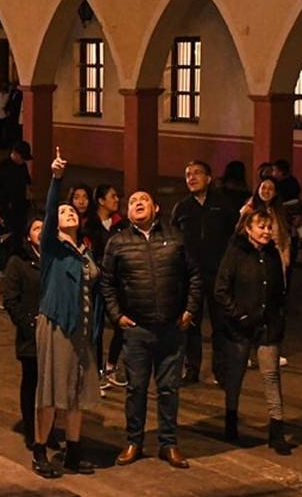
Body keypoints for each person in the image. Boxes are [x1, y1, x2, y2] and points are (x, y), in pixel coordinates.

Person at [102, 185, 201, 469]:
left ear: (156, 208)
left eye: (144, 199)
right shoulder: (118, 242)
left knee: (169, 389)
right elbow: (107, 283)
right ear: (127, 211)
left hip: (172, 327)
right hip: (137, 330)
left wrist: (189, 310)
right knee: (136, 389)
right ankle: (134, 441)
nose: (138, 203)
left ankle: (168, 444)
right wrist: (117, 316)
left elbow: (194, 276)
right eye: (133, 201)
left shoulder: (175, 237)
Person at [30, 148, 100, 478]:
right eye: (63, 211)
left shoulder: (84, 250)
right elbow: (49, 212)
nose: (69, 213)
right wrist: (56, 179)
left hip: (82, 328)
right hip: (57, 322)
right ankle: (40, 450)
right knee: (50, 389)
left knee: (77, 390)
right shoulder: (52, 247)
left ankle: (73, 451)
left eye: (72, 210)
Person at [215, 210, 292, 455]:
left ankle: (277, 431)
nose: (266, 232)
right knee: (235, 376)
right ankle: (231, 420)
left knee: (271, 376)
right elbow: (221, 289)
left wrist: (278, 317)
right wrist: (239, 315)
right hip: (240, 326)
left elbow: (280, 290)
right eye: (261, 227)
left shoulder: (272, 254)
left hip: (267, 326)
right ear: (248, 229)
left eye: (269, 227)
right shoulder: (236, 252)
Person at [170, 160, 237, 385]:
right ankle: (192, 369)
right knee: (191, 324)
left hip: (217, 273)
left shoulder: (223, 205)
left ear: (209, 178)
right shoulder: (182, 208)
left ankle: (221, 370)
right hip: (191, 276)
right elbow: (173, 241)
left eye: (197, 173)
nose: (192, 177)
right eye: (188, 174)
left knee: (221, 323)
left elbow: (234, 237)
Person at [1, 218, 44, 450]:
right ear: (28, 236)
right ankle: (30, 430)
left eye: (45, 227)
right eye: (36, 228)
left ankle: (46, 429)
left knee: (49, 386)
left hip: (54, 333)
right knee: (31, 382)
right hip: (31, 334)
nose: (41, 231)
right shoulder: (18, 262)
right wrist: (27, 324)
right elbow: (10, 299)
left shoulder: (55, 259)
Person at [86, 183, 128, 388]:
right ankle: (96, 372)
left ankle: (111, 365)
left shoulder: (121, 225)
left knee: (122, 323)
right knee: (96, 328)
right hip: (97, 283)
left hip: (117, 283)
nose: (116, 200)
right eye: (112, 196)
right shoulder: (90, 226)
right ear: (101, 200)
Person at [0, 139, 33, 236]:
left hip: (20, 208)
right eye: (22, 158)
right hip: (5, 209)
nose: (23, 161)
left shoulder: (22, 166)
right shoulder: (1, 167)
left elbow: (27, 184)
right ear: (15, 154)